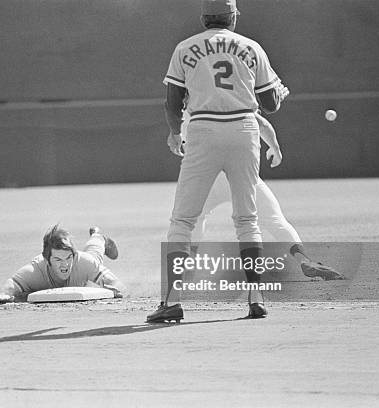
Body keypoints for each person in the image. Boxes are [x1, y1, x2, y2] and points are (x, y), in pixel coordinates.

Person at [147, 0, 289, 323]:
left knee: (183, 220)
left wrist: (173, 133)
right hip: (243, 130)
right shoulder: (252, 47)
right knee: (248, 219)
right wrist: (278, 94)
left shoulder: (185, 48)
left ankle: (172, 301)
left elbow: (172, 103)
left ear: (203, 18)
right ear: (234, 17)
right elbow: (269, 105)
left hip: (203, 131)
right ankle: (257, 297)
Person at [192, 112, 345, 281]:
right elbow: (263, 124)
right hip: (243, 174)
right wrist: (275, 148)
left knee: (193, 218)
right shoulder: (235, 100)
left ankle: (187, 265)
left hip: (208, 177)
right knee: (275, 220)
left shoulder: (194, 106)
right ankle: (305, 261)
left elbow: (177, 128)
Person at [0, 225, 126, 303]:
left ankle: (98, 236)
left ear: (74, 255)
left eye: (68, 258)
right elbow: (7, 287)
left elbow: (117, 284)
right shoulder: (35, 269)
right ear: (47, 260)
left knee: (94, 254)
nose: (65, 264)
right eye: (58, 260)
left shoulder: (83, 261)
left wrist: (116, 289)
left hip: (87, 261)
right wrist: (3, 294)